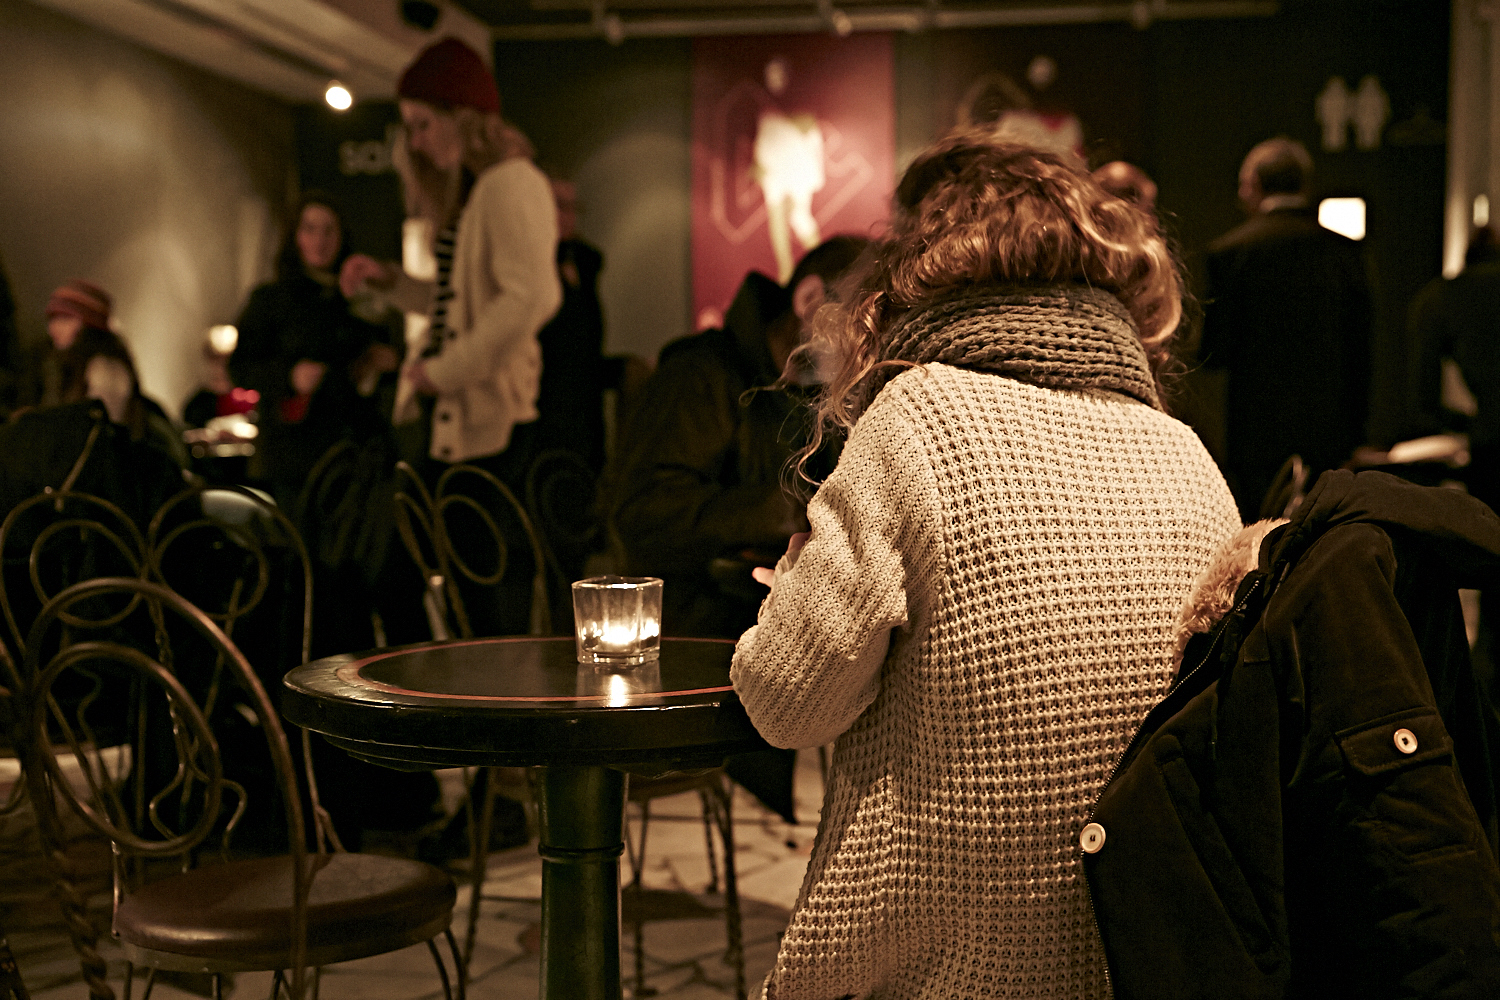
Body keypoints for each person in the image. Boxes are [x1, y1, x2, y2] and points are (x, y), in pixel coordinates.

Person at [729, 134, 1241, 999]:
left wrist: (794, 590)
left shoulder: (920, 418)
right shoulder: (1188, 455)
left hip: (947, 971)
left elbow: (785, 702)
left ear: (922, 273)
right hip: (1136, 961)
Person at [606, 235, 868, 641]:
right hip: (698, 639)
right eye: (862, 323)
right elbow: (644, 517)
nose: (870, 345)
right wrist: (794, 509)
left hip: (790, 629)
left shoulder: (831, 397)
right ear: (810, 300)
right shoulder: (697, 375)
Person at [1201, 135, 1374, 519]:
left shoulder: (1230, 252)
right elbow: (1360, 349)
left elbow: (1215, 353)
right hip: (1329, 426)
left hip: (1255, 428)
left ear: (1254, 186)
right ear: (1304, 185)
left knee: (1260, 529)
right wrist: (1357, 431)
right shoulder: (1345, 252)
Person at [228, 193, 397, 507]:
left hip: (358, 451)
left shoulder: (360, 297)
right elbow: (240, 366)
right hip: (296, 457)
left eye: (329, 230)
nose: (320, 240)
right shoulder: (271, 300)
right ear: (296, 236)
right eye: (310, 229)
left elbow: (383, 364)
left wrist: (381, 365)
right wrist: (290, 376)